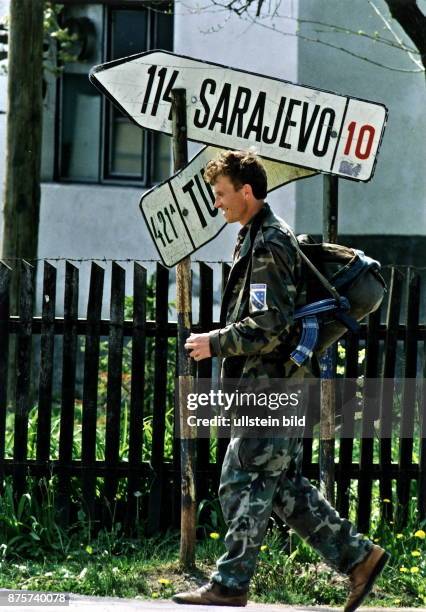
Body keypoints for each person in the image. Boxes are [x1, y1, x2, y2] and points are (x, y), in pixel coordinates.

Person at [173, 150, 389, 610]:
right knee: (283, 487)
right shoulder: (254, 235)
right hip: (277, 384)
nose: (218, 205)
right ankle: (359, 558)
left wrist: (215, 342)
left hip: (275, 385)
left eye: (222, 195)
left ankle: (231, 583)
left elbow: (268, 326)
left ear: (246, 192)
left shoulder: (268, 243)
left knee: (239, 477)